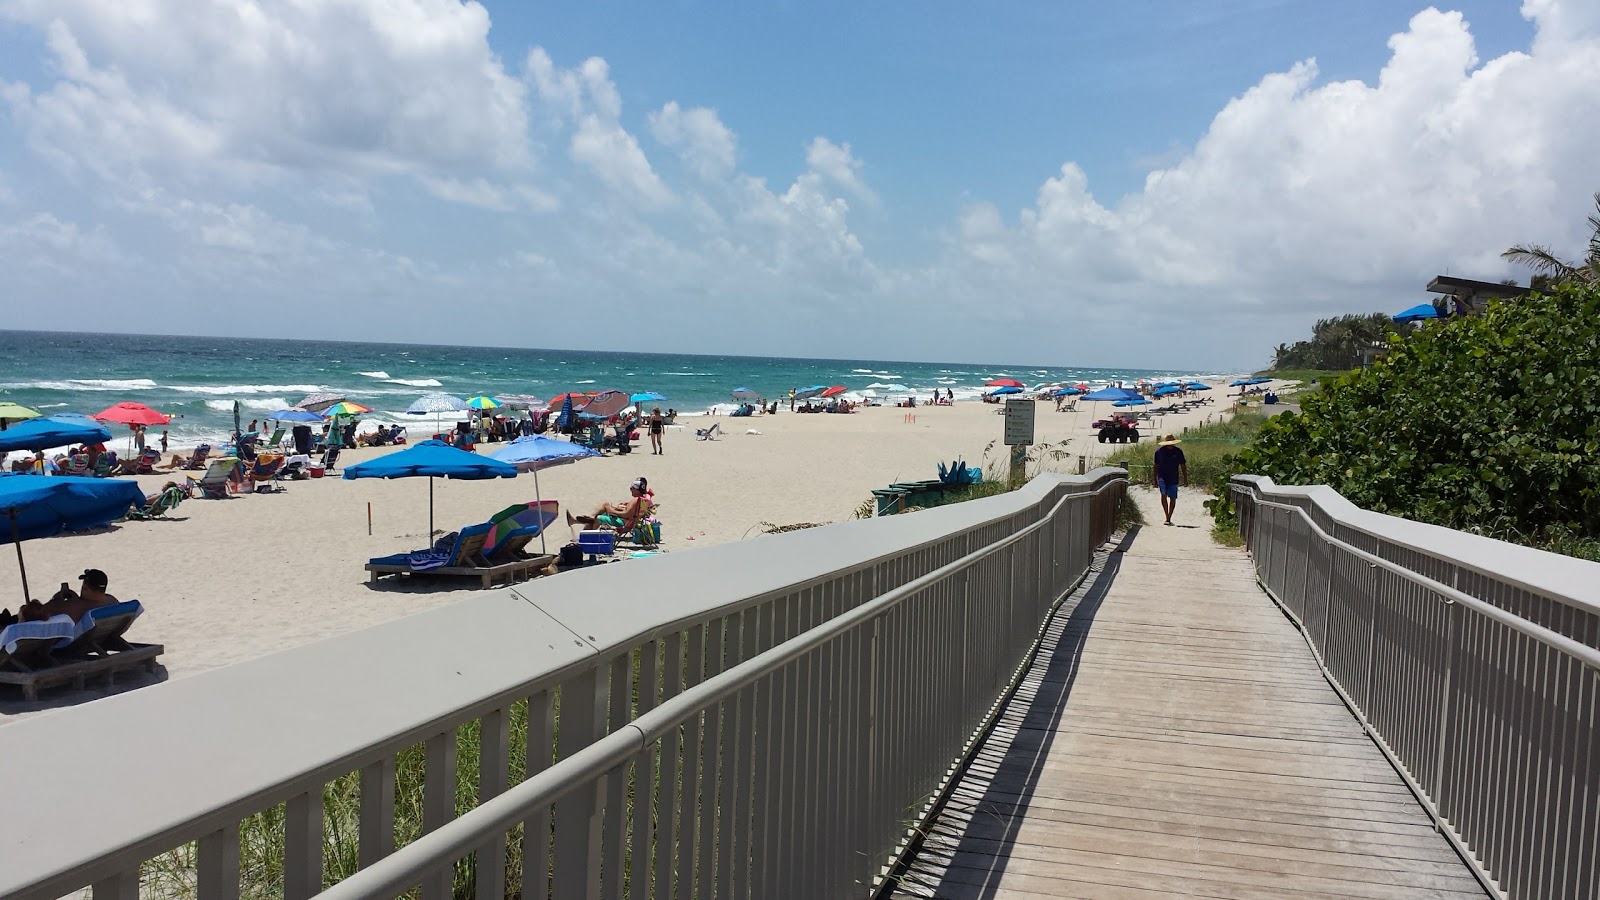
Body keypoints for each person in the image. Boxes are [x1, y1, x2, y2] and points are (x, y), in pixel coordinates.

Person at [17, 569, 120, 623]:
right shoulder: (112, 601)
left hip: (71, 644)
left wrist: (56, 598)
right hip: (99, 638)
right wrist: (76, 598)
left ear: (85, 588)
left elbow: (38, 612)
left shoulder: (72, 606)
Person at [567, 479, 648, 531]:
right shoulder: (644, 500)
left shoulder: (636, 500)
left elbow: (626, 514)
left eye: (632, 489)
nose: (631, 490)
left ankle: (588, 535)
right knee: (603, 508)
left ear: (637, 489)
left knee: (599, 516)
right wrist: (621, 508)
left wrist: (612, 511)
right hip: (631, 522)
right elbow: (635, 514)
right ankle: (581, 520)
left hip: (624, 523)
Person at [1152, 434, 1188, 526]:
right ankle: (1166, 515)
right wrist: (1154, 479)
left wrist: (1185, 479)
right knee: (1163, 494)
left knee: (1173, 497)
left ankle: (1169, 517)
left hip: (1174, 477)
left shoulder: (1178, 452)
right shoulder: (1159, 452)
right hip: (1162, 476)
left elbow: (1183, 466)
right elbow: (1155, 466)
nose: (1170, 445)